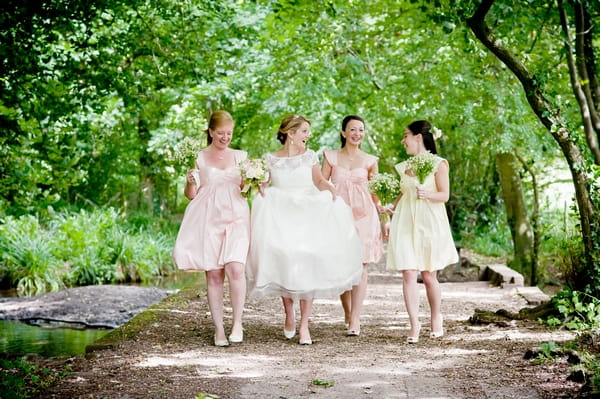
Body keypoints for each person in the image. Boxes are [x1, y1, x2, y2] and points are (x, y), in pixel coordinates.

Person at [247, 114, 363, 345]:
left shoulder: (310, 156)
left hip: (307, 210)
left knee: (308, 257)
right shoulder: (270, 158)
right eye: (304, 132)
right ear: (291, 133)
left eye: (308, 132)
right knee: (284, 257)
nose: (308, 136)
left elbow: (318, 181)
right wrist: (260, 183)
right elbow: (266, 182)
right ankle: (289, 314)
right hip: (280, 211)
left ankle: (304, 325)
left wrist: (329, 188)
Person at [172, 110, 250, 347]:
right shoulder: (198, 157)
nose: (225, 138)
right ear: (210, 132)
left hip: (236, 217)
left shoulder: (241, 156)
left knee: (236, 267)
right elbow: (191, 195)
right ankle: (219, 329)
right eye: (221, 133)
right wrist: (188, 181)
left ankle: (237, 322)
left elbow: (246, 189)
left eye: (229, 133)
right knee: (214, 274)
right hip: (208, 218)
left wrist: (255, 180)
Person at [386, 120, 458, 344]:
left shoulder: (438, 163)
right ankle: (414, 323)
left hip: (429, 222)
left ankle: (436, 316)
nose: (403, 141)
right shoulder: (404, 166)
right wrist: (390, 208)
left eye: (405, 136)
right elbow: (403, 194)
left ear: (418, 137)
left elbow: (444, 195)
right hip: (406, 222)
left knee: (428, 275)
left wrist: (427, 194)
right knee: (408, 271)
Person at [321, 115, 383, 336]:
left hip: (365, 216)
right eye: (353, 130)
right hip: (338, 215)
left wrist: (383, 210)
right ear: (343, 133)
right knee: (342, 265)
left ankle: (356, 319)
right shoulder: (330, 157)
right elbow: (320, 185)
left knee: (361, 265)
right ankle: (347, 312)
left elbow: (377, 191)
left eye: (361, 130)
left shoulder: (370, 160)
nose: (357, 134)